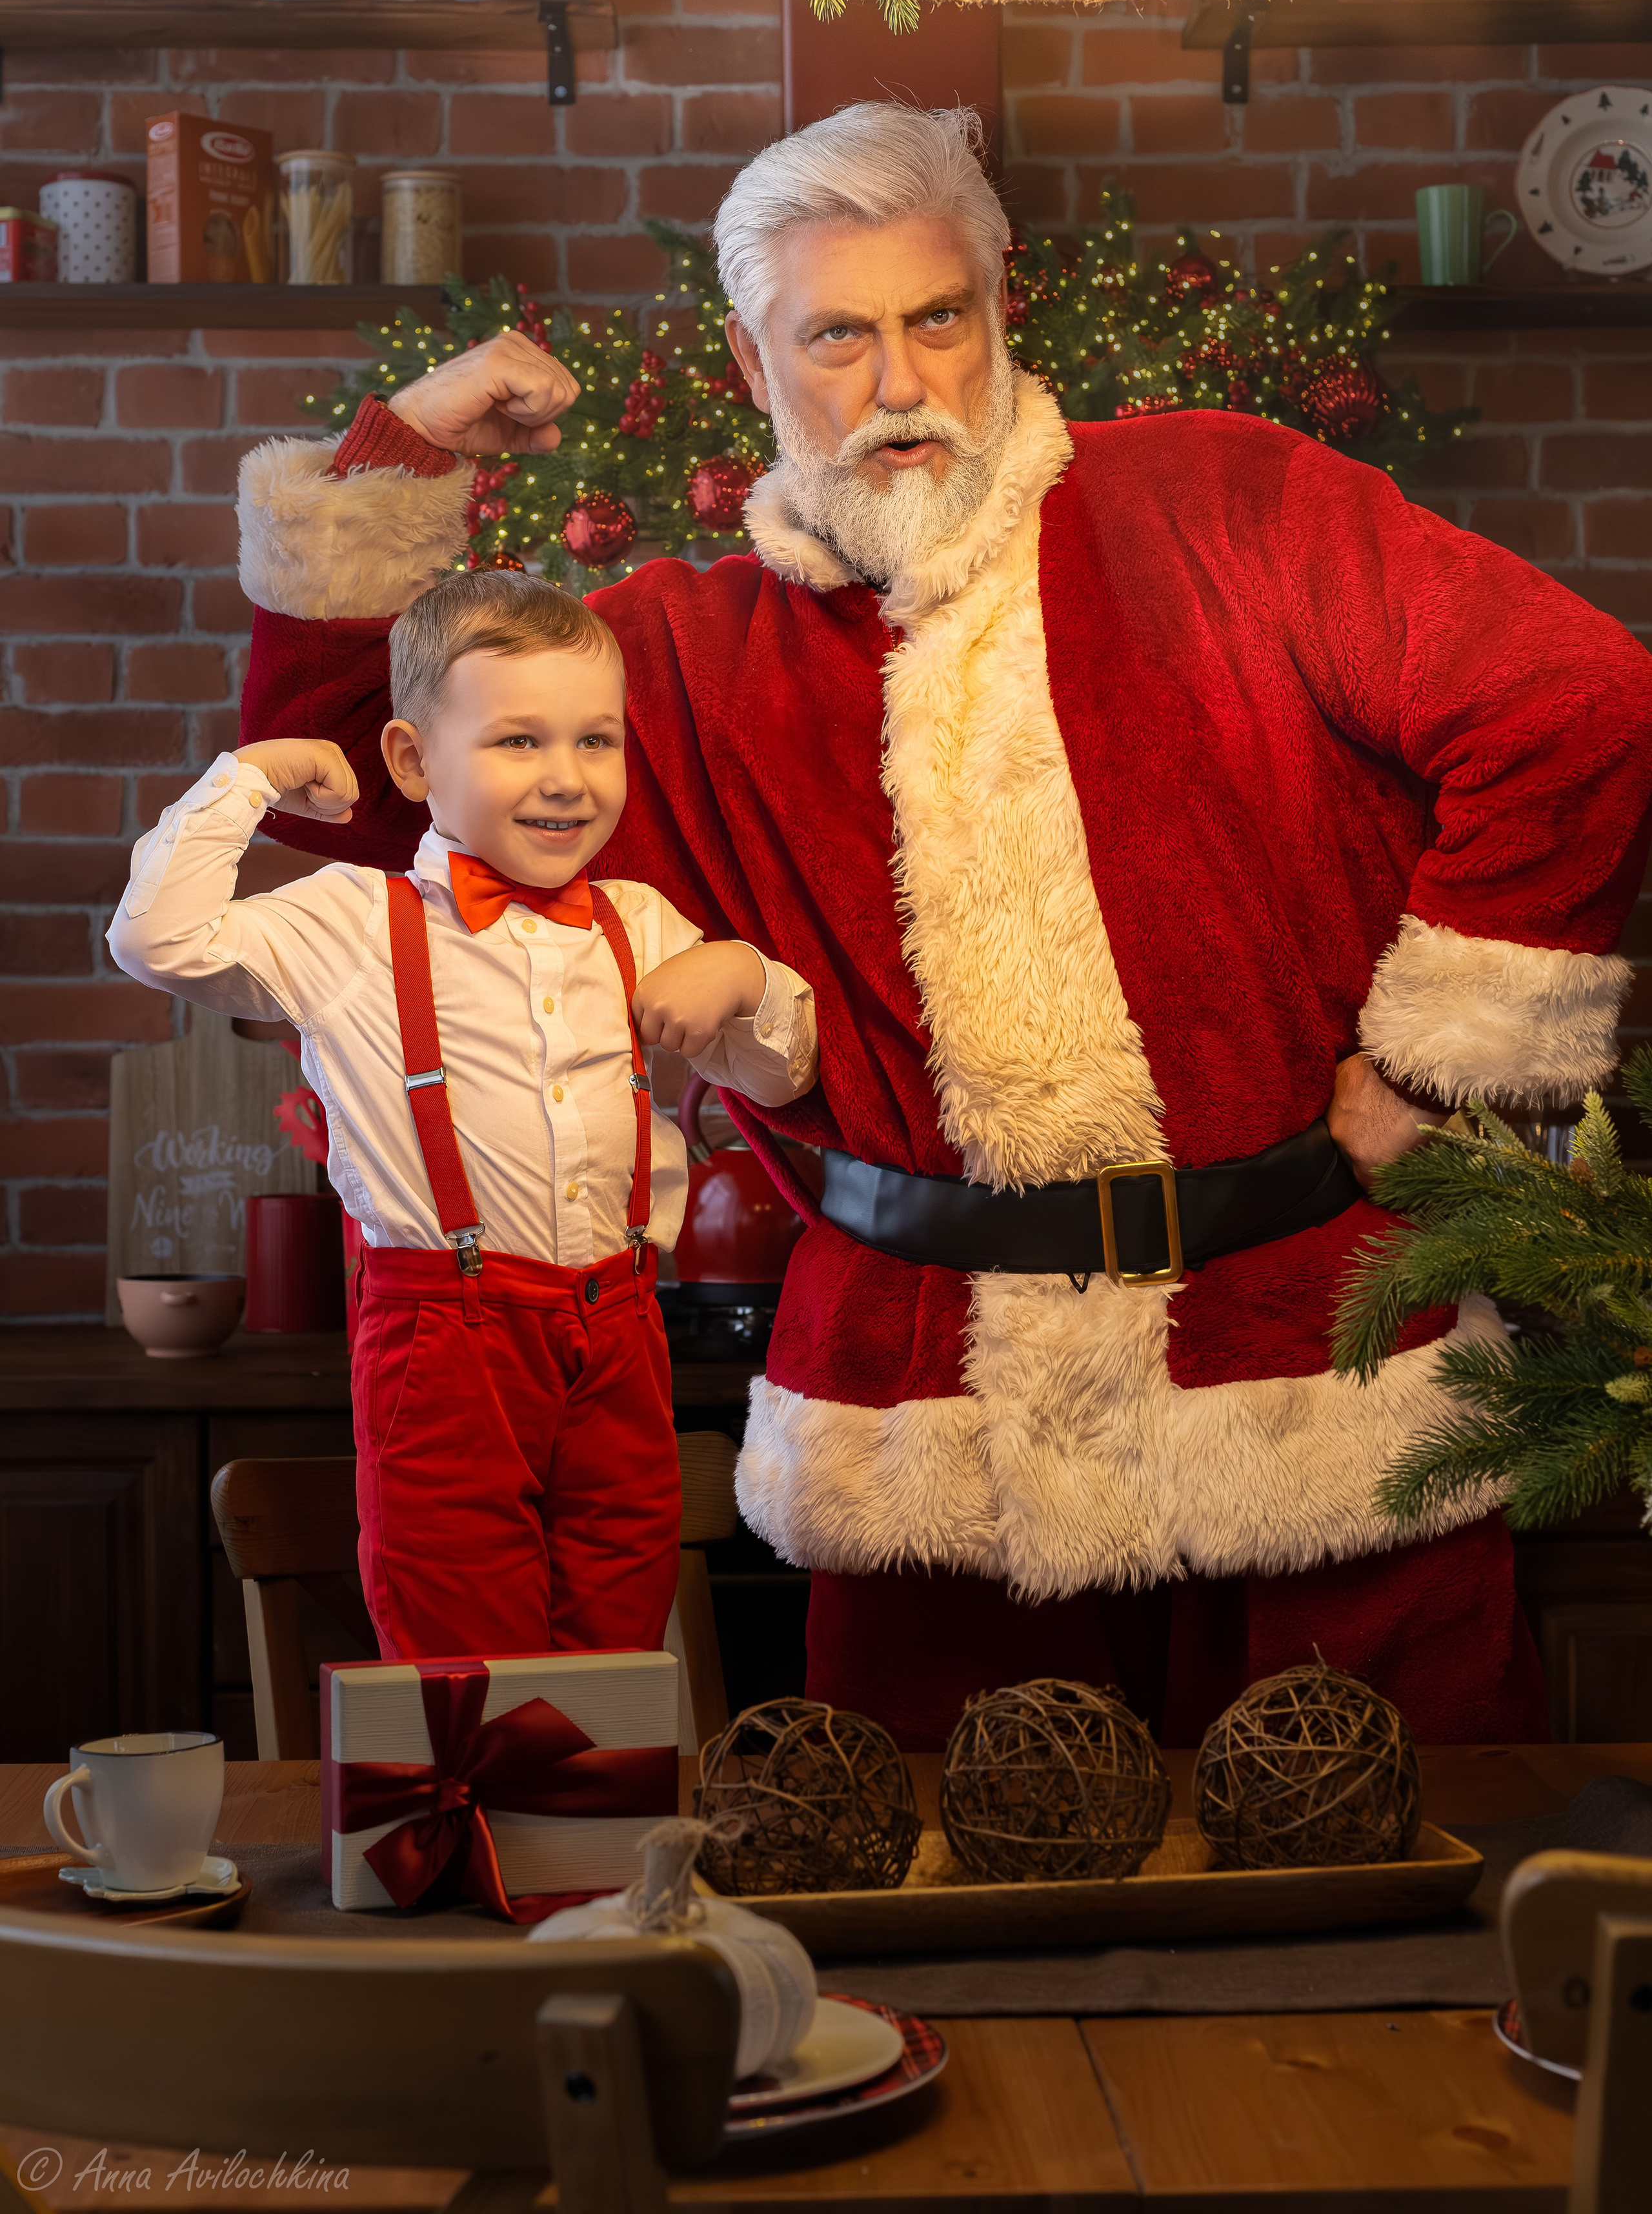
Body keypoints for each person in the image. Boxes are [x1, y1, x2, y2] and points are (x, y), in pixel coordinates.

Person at [231, 100, 1652, 1744]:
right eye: (835, 334)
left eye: (935, 319)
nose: (897, 382)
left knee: (1406, 1906)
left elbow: (1577, 701)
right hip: (919, 1420)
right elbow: (347, 796)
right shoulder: (667, 665)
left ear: (999, 316)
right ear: (757, 372)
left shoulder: (1227, 502)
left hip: (1317, 1364)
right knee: (937, 1927)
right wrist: (403, 455)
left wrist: (1434, 1060)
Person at [109, 571, 818, 1663]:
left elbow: (784, 1077)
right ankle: (465, 1829)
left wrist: (744, 978)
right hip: (446, 1340)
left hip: (622, 1330)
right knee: (458, 1636)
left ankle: (594, 1825)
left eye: (596, 742)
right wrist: (248, 780)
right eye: (518, 742)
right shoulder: (351, 924)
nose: (567, 780)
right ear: (410, 760)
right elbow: (157, 940)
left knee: (618, 1626)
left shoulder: (640, 922)